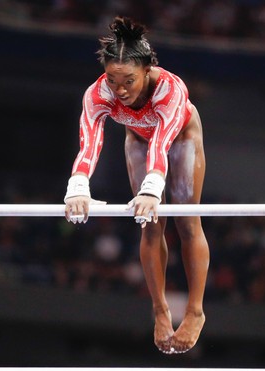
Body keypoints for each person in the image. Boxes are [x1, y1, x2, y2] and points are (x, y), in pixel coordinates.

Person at [64, 16, 210, 354]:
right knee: (149, 224)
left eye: (129, 80)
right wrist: (78, 188)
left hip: (182, 136)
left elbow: (163, 142)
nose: (120, 90)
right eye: (113, 80)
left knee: (187, 223)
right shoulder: (98, 94)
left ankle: (195, 311)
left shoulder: (171, 89)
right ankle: (159, 309)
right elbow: (89, 144)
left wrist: (152, 186)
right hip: (139, 140)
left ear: (147, 70)